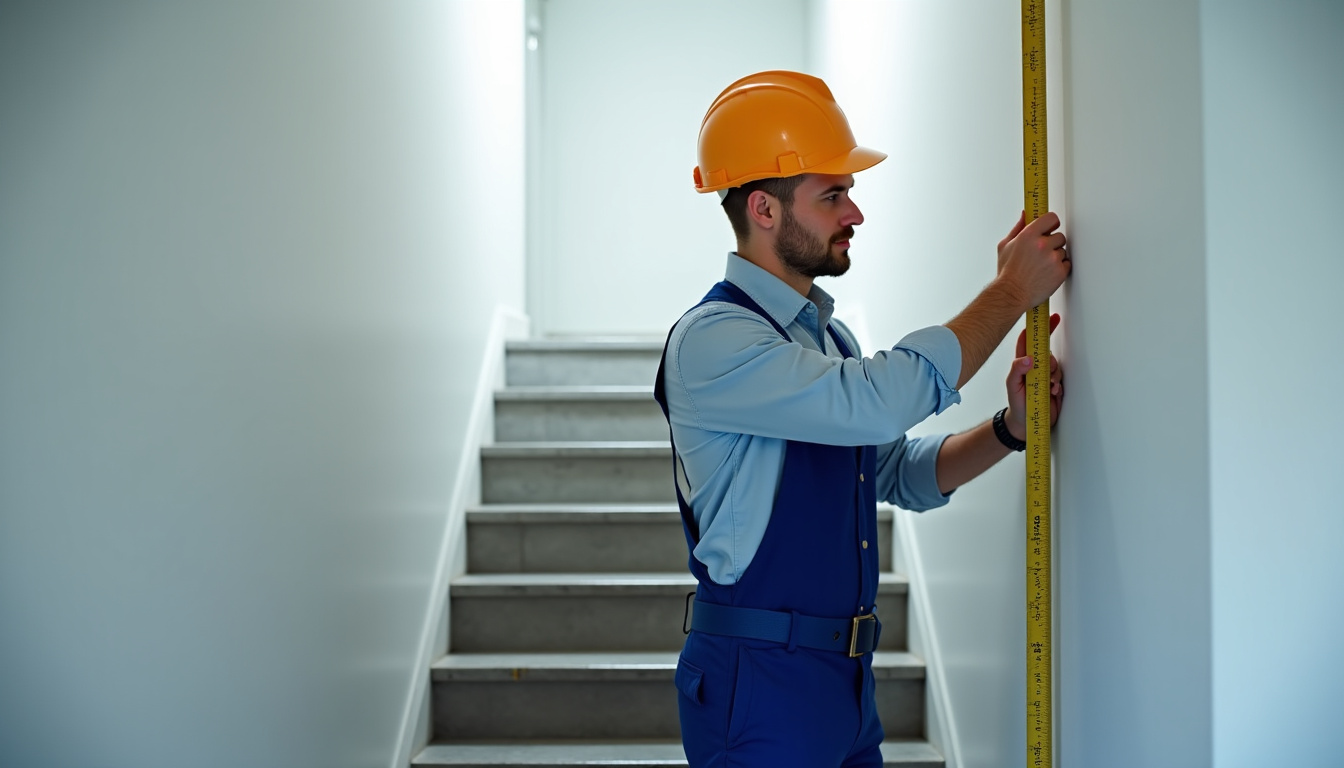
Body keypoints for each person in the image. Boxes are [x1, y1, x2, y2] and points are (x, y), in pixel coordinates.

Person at [652, 70, 1070, 767]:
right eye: (833, 195)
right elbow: (879, 399)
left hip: (845, 683)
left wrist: (1009, 430)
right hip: (759, 680)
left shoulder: (827, 341)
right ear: (764, 209)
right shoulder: (712, 338)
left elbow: (894, 470)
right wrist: (1008, 293)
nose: (855, 213)